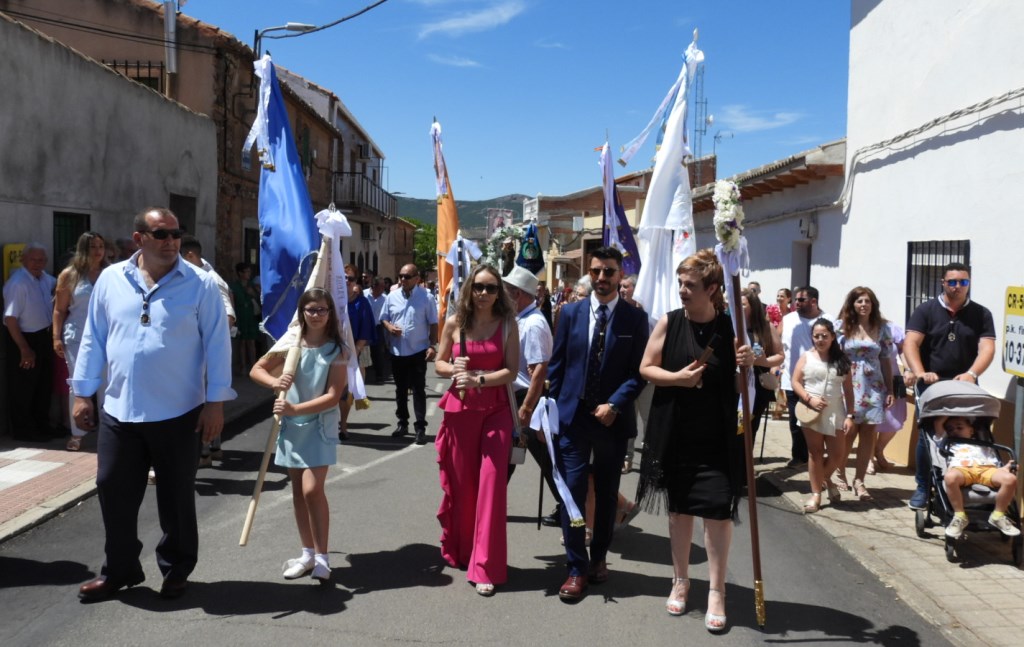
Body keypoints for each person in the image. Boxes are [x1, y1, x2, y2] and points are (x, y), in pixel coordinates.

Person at [72, 207, 235, 602]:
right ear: (139, 238)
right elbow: (94, 336)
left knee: (176, 496)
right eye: (161, 234)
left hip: (179, 411)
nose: (171, 241)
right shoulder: (112, 279)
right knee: (112, 487)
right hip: (119, 408)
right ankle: (121, 570)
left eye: (176, 234)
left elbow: (218, 344)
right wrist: (82, 391)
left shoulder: (200, 284)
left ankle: (177, 568)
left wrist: (215, 402)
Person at [636, 249, 753, 632]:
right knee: (679, 511)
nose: (682, 291)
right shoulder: (669, 323)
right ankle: (681, 580)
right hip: (677, 436)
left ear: (713, 288)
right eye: (680, 283)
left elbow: (744, 386)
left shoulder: (730, 330)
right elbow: (646, 367)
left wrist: (749, 364)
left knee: (718, 513)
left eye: (690, 285)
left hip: (718, 440)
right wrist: (678, 379)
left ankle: (717, 591)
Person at [547, 246, 649, 602]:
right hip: (573, 421)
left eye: (609, 272)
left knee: (605, 496)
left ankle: (599, 558)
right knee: (572, 494)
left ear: (620, 275)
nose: (602, 278)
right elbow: (557, 367)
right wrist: (551, 413)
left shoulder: (635, 319)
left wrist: (616, 405)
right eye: (596, 271)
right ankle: (575, 568)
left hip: (611, 423)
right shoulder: (570, 313)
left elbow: (639, 373)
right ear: (588, 273)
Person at [250, 288, 348, 581]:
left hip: (319, 426)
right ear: (302, 313)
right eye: (311, 310)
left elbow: (333, 396)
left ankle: (322, 557)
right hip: (292, 428)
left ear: (330, 313)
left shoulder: (337, 349)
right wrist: (275, 381)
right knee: (297, 492)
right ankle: (307, 554)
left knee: (311, 490)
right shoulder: (291, 343)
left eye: (322, 310)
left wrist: (296, 408)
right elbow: (257, 370)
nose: (317, 315)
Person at [433, 264, 519, 596]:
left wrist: (479, 379)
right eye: (479, 287)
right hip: (460, 411)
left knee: (492, 485)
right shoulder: (455, 323)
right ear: (469, 289)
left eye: (491, 288)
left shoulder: (509, 325)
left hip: (496, 411)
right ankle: (464, 551)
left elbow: (511, 371)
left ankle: (485, 566)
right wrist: (453, 370)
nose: (484, 293)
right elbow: (439, 362)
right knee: (463, 486)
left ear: (501, 293)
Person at [904, 262, 995, 510]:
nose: (957, 287)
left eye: (963, 282)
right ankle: (924, 487)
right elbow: (911, 343)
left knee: (971, 430)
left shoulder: (981, 313)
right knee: (928, 436)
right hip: (932, 384)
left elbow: (987, 347)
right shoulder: (926, 310)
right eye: (952, 282)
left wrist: (972, 373)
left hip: (965, 385)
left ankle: (972, 479)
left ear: (969, 284)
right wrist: (921, 373)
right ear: (943, 283)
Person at [180, 235, 236, 467]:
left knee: (203, 405)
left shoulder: (210, 280)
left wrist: (209, 340)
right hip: (196, 355)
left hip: (204, 355)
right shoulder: (195, 278)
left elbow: (229, 316)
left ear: (191, 256)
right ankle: (213, 448)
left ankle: (204, 452)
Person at [833, 287, 893, 500]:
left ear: (873, 304)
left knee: (868, 434)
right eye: (859, 301)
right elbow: (831, 354)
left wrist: (890, 388)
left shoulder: (883, 329)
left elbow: (886, 359)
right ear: (853, 304)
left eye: (867, 301)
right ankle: (839, 472)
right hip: (848, 384)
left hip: (873, 385)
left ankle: (859, 481)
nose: (863, 305)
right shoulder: (841, 327)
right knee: (848, 432)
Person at [791, 319, 855, 514]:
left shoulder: (842, 359)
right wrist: (809, 399)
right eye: (816, 336)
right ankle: (816, 493)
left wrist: (850, 415)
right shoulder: (806, 357)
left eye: (824, 336)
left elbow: (849, 390)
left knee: (837, 454)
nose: (820, 339)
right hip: (811, 411)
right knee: (815, 453)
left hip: (836, 411)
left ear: (832, 337)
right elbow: (795, 382)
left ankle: (824, 479)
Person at [53, 232, 109, 450]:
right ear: (83, 249)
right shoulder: (70, 275)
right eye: (93, 247)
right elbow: (59, 309)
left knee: (106, 384)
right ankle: (77, 433)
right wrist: (56, 337)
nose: (98, 251)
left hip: (106, 337)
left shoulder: (110, 274)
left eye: (101, 246)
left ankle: (107, 431)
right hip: (77, 336)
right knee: (79, 384)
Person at [501, 266, 554, 489]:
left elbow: (539, 370)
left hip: (526, 399)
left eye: (506, 291)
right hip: (518, 398)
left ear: (518, 294)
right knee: (508, 457)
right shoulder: (522, 319)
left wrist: (527, 408)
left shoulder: (533, 323)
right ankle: (491, 504)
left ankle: (572, 507)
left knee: (549, 460)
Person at [4, 243, 58, 442]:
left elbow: (58, 285)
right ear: (24, 260)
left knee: (43, 385)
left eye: (42, 260)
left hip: (44, 336)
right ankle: (23, 430)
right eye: (34, 260)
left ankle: (42, 426)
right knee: (23, 388)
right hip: (24, 338)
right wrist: (24, 349)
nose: (38, 264)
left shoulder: (44, 278)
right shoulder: (18, 283)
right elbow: (10, 319)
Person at [380, 264, 438, 445]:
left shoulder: (426, 297)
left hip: (417, 350)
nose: (402, 280)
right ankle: (402, 423)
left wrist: (432, 345)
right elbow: (384, 317)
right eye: (401, 276)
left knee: (419, 390)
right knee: (400, 389)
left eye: (407, 276)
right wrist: (389, 327)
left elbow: (434, 323)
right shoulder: (392, 296)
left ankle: (420, 427)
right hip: (398, 351)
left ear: (416, 278)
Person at [938, 415, 1020, 538]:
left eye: (959, 427)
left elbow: (996, 465)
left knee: (1010, 479)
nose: (954, 431)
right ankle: (960, 516)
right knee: (950, 477)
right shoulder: (948, 442)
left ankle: (998, 515)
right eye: (950, 429)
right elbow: (938, 428)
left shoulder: (983, 444)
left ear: (971, 430)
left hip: (986, 469)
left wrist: (1005, 468)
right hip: (962, 469)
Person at [780, 286, 831, 468]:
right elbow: (779, 346)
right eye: (795, 299)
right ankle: (800, 456)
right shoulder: (787, 320)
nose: (796, 303)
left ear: (814, 301)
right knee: (796, 421)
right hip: (793, 380)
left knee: (821, 420)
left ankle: (819, 455)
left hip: (820, 381)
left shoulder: (828, 320)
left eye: (801, 300)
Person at [741, 288, 783, 442]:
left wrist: (764, 362)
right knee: (736, 428)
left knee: (750, 427)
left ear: (753, 306)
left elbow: (780, 356)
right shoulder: (729, 325)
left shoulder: (766, 327)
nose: (738, 307)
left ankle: (746, 462)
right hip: (734, 385)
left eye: (743, 304)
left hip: (757, 386)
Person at [339, 264, 375, 440]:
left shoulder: (362, 302)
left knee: (349, 389)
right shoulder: (334, 299)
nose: (346, 281)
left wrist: (355, 351)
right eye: (343, 277)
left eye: (350, 278)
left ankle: (343, 424)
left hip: (358, 349)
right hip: (336, 350)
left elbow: (367, 329)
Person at [872, 321, 909, 473]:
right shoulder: (861, 326)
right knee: (871, 421)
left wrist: (908, 369)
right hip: (870, 380)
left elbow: (903, 349)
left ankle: (879, 449)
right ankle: (868, 458)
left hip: (893, 378)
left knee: (894, 420)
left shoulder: (892, 328)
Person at [230, 262, 261, 376]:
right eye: (246, 272)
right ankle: (243, 365)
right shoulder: (234, 286)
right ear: (240, 273)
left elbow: (259, 297)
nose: (249, 274)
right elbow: (232, 302)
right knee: (242, 342)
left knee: (251, 341)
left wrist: (253, 292)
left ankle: (254, 365)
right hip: (240, 314)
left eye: (249, 271)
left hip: (250, 315)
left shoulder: (252, 285)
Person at [367, 277, 390, 384]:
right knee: (364, 352)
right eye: (382, 286)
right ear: (374, 286)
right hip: (365, 326)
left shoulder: (385, 298)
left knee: (378, 353)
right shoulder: (364, 295)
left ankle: (379, 376)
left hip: (378, 327)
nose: (384, 288)